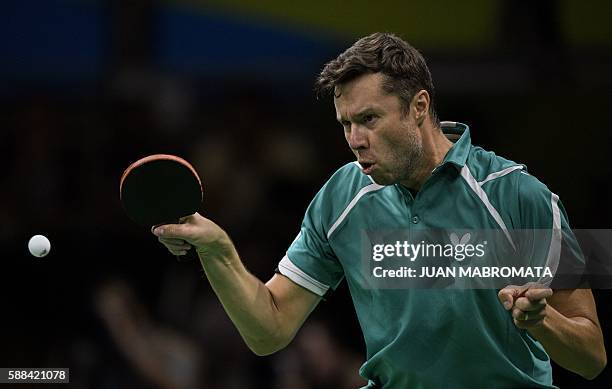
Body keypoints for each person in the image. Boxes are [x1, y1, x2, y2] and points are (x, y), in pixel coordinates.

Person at [152, 33, 606, 388]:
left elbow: (592, 357)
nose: (354, 139)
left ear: (419, 107)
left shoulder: (519, 195)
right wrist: (217, 251)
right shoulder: (341, 198)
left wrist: (540, 320)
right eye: (346, 124)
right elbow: (268, 330)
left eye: (369, 119)